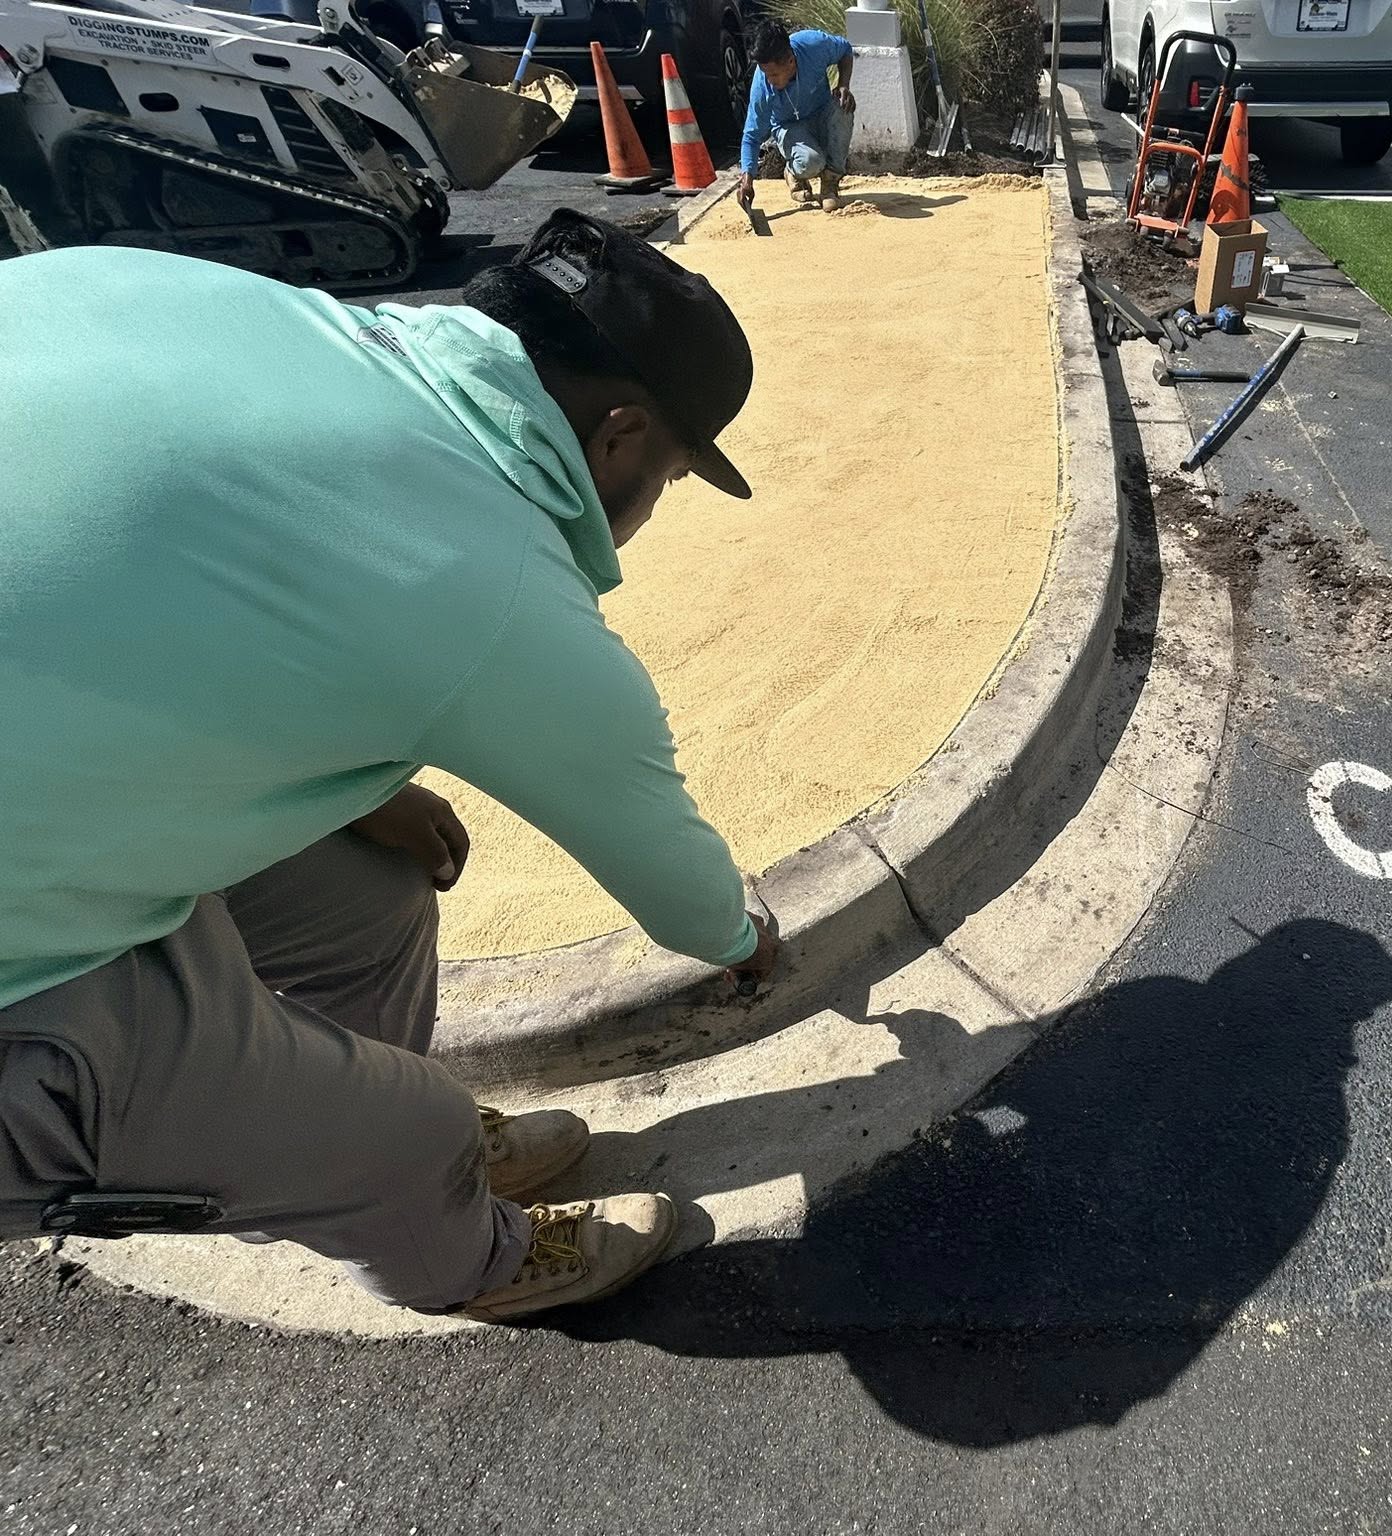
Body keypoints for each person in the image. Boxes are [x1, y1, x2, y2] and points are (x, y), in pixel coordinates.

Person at [0, 210, 780, 1324]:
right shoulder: (496, 583)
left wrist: (355, 791)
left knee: (369, 903)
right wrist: (743, 938)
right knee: (408, 1126)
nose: (656, 502)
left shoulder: (262, 324)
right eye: (669, 473)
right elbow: (670, 876)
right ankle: (448, 1235)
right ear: (617, 436)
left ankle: (337, 1126)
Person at [737, 18, 857, 213]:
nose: (769, 80)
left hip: (822, 114)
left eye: (774, 74)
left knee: (843, 107)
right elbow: (751, 136)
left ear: (790, 61)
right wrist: (747, 180)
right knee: (811, 162)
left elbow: (845, 50)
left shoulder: (814, 45)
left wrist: (844, 84)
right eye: (765, 73)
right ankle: (793, 172)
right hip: (789, 128)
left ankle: (830, 184)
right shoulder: (762, 86)